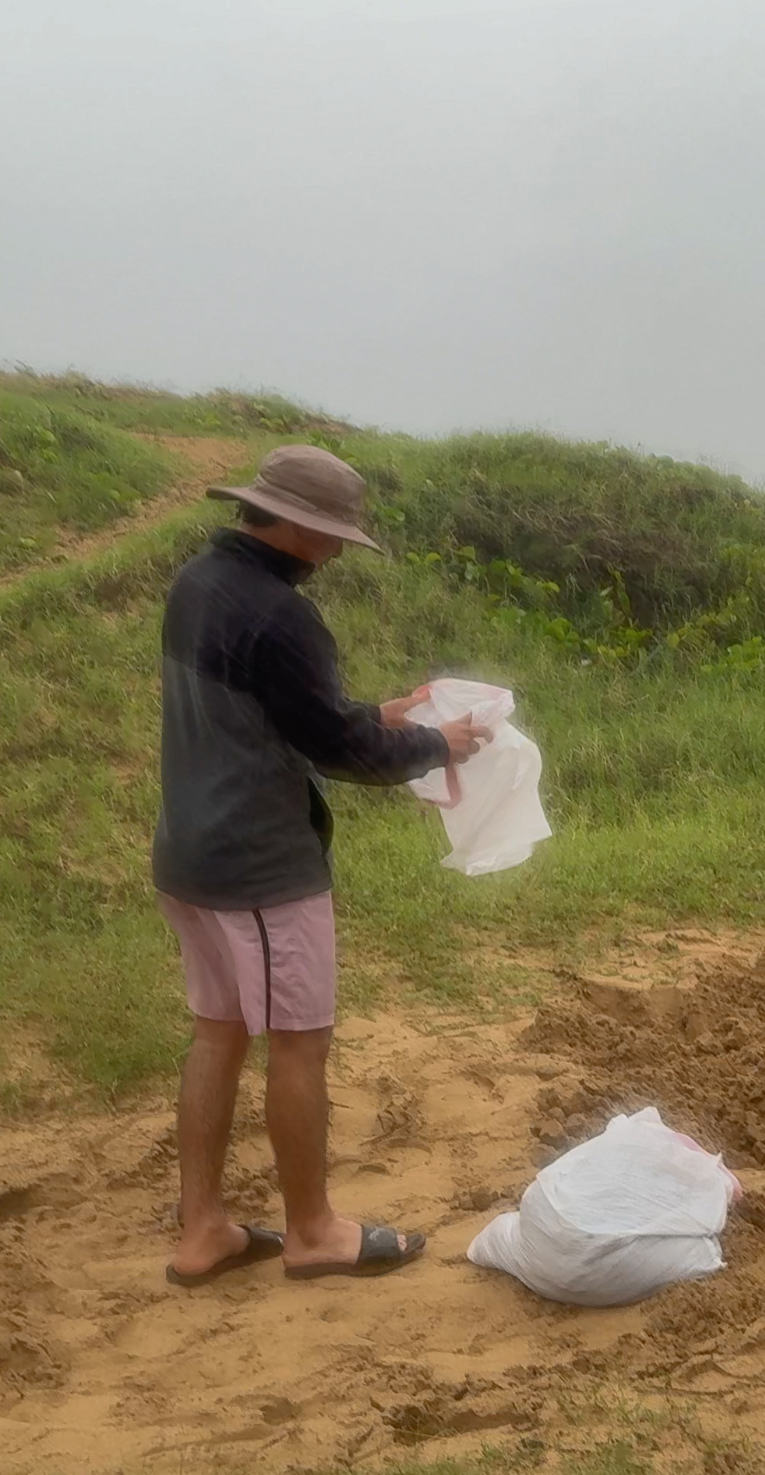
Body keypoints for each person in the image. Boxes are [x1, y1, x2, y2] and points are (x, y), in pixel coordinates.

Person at [151, 444, 492, 1287]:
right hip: (261, 865)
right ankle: (312, 1229)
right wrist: (430, 743)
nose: (339, 550)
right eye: (334, 534)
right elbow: (339, 750)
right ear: (300, 527)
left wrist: (378, 714)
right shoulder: (282, 612)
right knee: (299, 1046)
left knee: (217, 1033)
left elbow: (278, 718)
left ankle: (204, 1229)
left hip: (188, 851)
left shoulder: (197, 581)